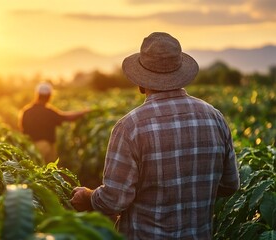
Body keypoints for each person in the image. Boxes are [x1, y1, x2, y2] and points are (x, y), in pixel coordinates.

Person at [70, 32, 240, 239]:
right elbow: (230, 185)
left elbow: (114, 200)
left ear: (140, 82)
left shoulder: (130, 127)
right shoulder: (215, 118)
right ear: (180, 74)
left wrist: (88, 197)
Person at [19, 82, 89, 163]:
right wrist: (83, 113)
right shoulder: (49, 112)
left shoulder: (26, 111)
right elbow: (66, 117)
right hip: (45, 146)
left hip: (29, 147)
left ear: (37, 95)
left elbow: (22, 128)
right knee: (47, 171)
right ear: (49, 96)